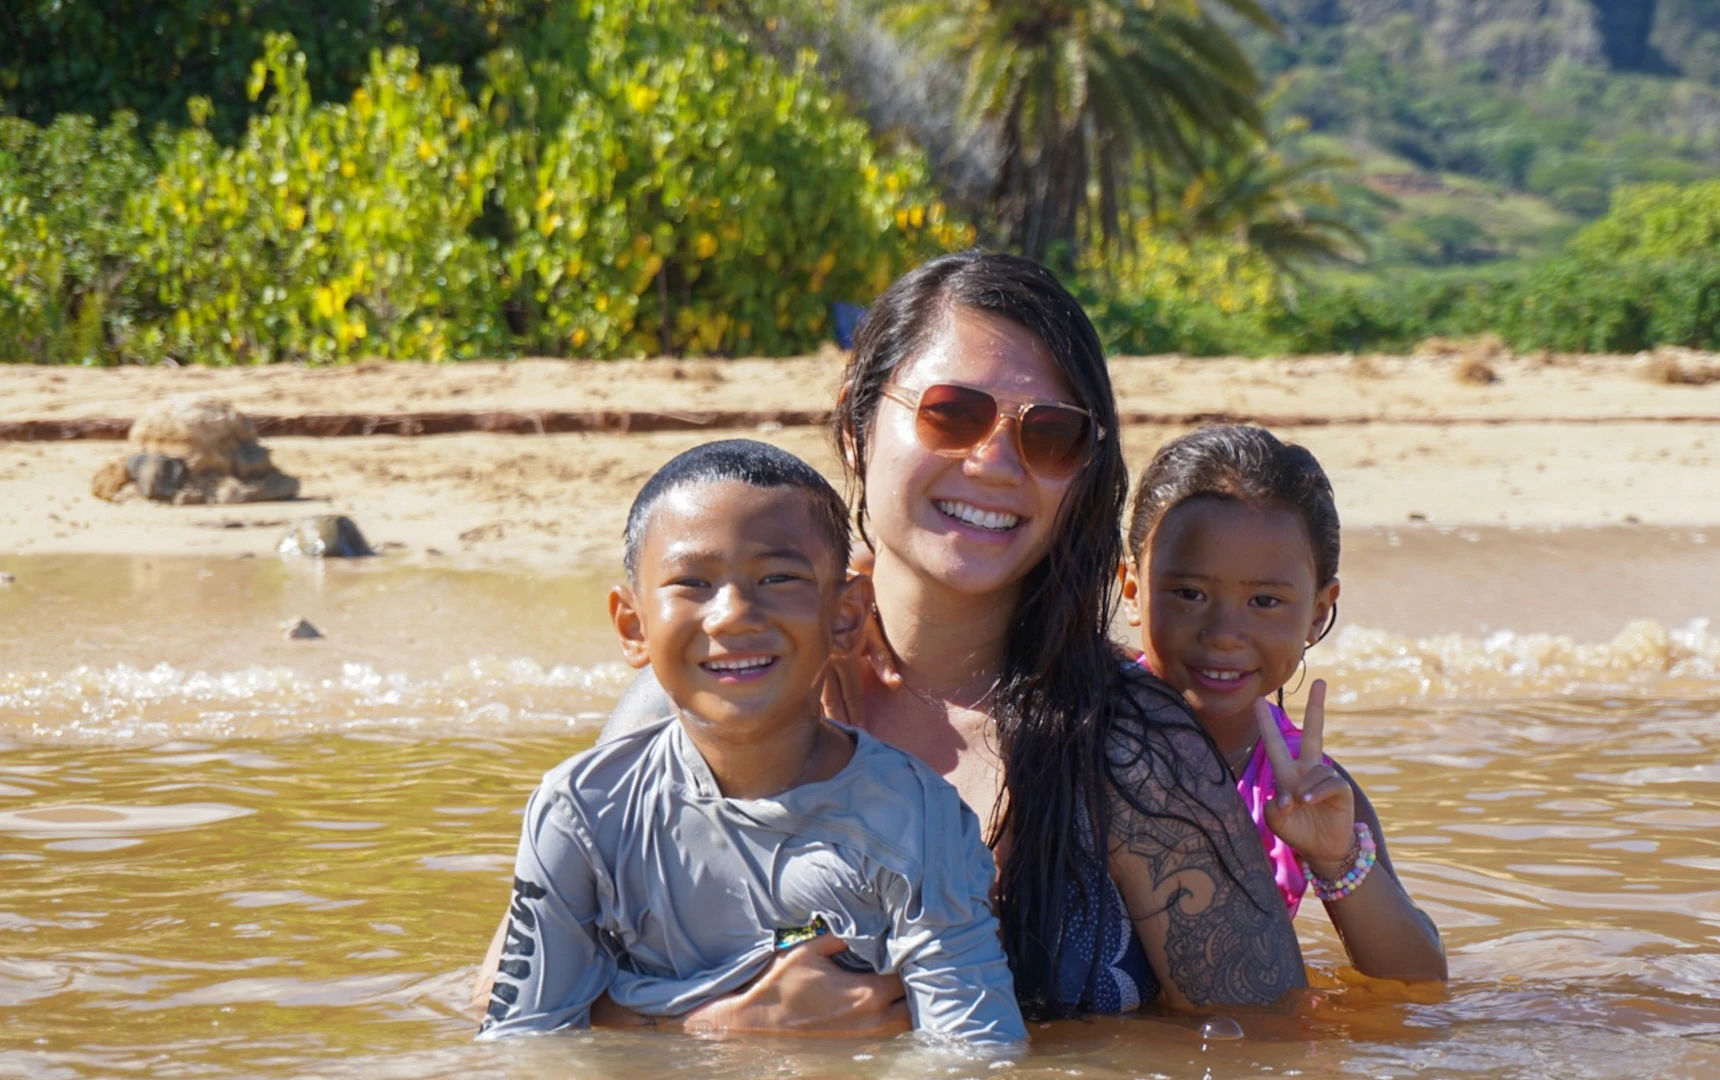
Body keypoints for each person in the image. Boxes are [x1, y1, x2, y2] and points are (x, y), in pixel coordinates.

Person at [559, 252, 1312, 1029]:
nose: (993, 462)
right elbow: (514, 1006)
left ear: (1080, 476)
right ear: (858, 427)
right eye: (952, 414)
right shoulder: (714, 680)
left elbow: (1272, 1037)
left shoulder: (1130, 750)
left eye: (1049, 435)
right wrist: (715, 1035)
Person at [477, 439, 1025, 1044]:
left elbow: (976, 1055)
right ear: (633, 626)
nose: (734, 614)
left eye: (778, 577)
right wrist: (729, 1030)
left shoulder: (918, 823)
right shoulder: (582, 814)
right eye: (692, 582)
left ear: (845, 616)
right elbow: (524, 1046)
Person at [1118, 426, 1447, 981]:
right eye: (1189, 594)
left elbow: (1418, 979)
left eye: (1265, 601)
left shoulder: (1305, 786)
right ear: (1132, 591)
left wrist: (1335, 858)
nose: (1224, 632)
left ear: (1319, 612)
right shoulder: (1079, 719)